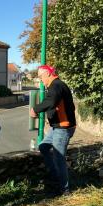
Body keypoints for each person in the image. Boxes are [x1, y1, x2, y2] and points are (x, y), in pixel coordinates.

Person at [30, 65, 76, 195]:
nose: (40, 80)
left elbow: (51, 101)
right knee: (44, 147)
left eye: (40, 77)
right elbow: (56, 104)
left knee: (59, 157)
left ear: (48, 74)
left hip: (63, 127)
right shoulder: (56, 86)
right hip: (58, 127)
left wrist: (35, 109)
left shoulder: (56, 85)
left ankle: (64, 189)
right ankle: (55, 176)